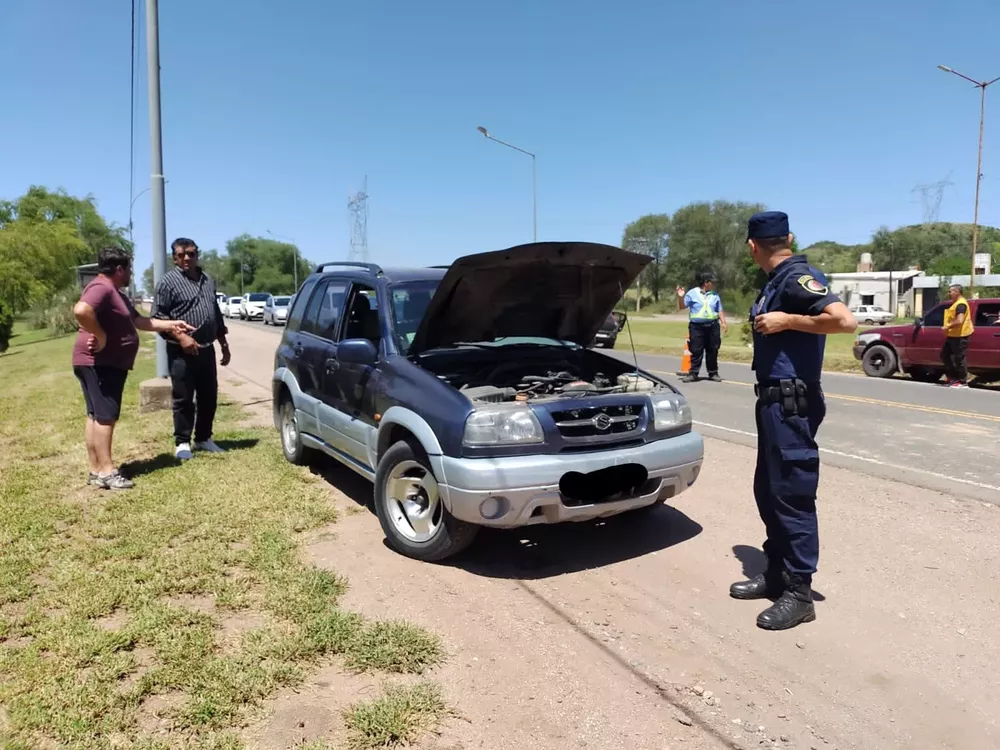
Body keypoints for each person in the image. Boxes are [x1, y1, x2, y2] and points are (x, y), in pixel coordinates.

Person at [729, 211, 857, 631]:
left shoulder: (796, 278)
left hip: (791, 402)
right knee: (769, 490)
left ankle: (800, 594)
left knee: (791, 494)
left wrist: (788, 320)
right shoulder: (776, 281)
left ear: (753, 247)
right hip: (773, 401)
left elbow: (844, 321)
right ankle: (777, 573)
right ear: (788, 238)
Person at [72, 247, 193, 489]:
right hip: (101, 363)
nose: (131, 274)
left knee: (95, 415)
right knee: (105, 417)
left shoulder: (114, 292)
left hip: (98, 363)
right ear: (119, 269)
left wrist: (172, 325)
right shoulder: (102, 287)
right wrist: (101, 336)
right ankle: (107, 472)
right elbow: (81, 310)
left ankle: (96, 470)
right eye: (129, 269)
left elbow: (139, 321)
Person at [152, 237, 232, 460]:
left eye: (191, 254)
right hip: (180, 352)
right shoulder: (167, 283)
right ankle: (182, 442)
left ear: (197, 254)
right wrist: (182, 337)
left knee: (209, 396)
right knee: (184, 398)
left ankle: (204, 438)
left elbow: (215, 314)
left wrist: (224, 344)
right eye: (181, 255)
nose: (187, 258)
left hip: (206, 349)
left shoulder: (207, 280)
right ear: (174, 258)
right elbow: (158, 317)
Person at [681, 271, 728, 382]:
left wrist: (723, 322)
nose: (714, 284)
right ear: (706, 283)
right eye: (712, 282)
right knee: (696, 350)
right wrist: (680, 297)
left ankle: (713, 373)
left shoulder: (715, 295)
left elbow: (719, 309)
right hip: (697, 327)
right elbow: (682, 306)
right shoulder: (692, 293)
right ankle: (693, 373)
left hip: (712, 326)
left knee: (713, 350)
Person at [941, 283, 974, 389]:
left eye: (950, 291)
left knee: (959, 358)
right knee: (945, 355)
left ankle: (963, 381)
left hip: (961, 335)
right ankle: (952, 378)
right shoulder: (955, 303)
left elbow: (959, 320)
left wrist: (948, 326)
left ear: (957, 292)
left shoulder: (961, 304)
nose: (949, 293)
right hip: (953, 334)